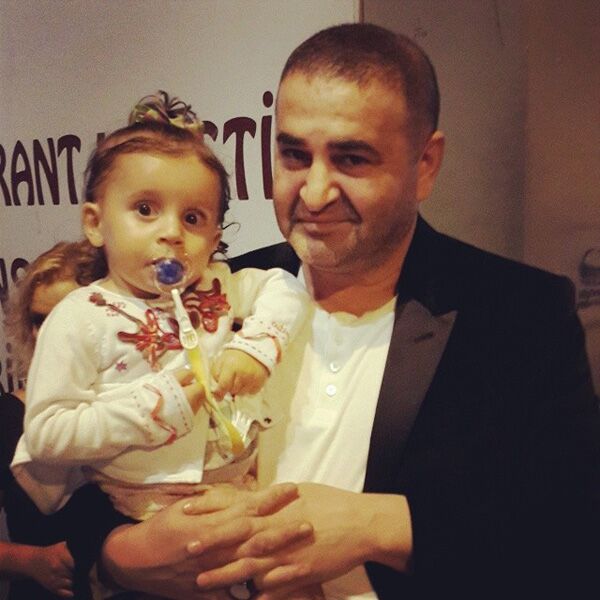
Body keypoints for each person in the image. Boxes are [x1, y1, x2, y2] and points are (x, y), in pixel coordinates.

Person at [97, 24, 599, 599]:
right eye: (293, 155)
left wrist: (383, 526)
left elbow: (572, 534)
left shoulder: (519, 315)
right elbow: (81, 463)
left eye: (352, 159)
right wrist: (118, 555)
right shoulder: (211, 290)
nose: (313, 194)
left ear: (426, 163)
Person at [11, 93, 309, 595]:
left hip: (240, 492)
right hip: (142, 513)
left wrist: (256, 348)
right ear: (95, 223)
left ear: (214, 236)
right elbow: (47, 433)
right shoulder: (79, 317)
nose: (171, 233)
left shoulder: (221, 284)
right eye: (145, 210)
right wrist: (155, 408)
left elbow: (286, 287)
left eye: (193, 218)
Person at [1, 239, 108, 599]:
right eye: (38, 319)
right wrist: (30, 560)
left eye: (64, 318)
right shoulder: (8, 415)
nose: (45, 334)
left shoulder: (138, 409)